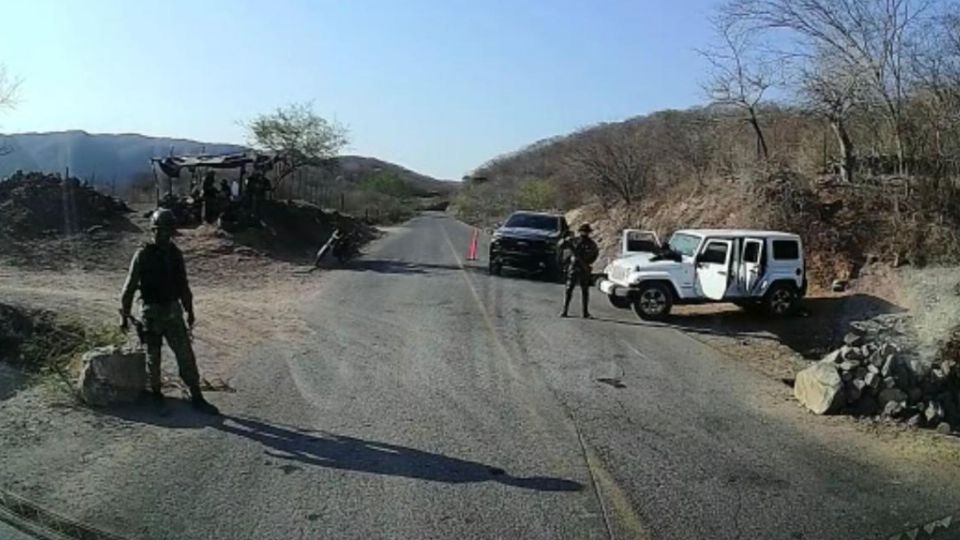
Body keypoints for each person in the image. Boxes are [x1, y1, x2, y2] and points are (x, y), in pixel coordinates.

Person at [120, 208, 220, 416]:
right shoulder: (142, 255)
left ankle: (196, 395)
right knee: (153, 357)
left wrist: (190, 311)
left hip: (173, 311)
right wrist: (124, 315)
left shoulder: (175, 254)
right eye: (159, 231)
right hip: (150, 313)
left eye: (167, 231)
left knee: (185, 354)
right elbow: (129, 287)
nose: (163, 235)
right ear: (152, 231)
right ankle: (156, 395)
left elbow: (183, 285)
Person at [560, 223, 599, 318]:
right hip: (573, 266)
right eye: (583, 231)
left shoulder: (591, 244)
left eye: (586, 231)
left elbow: (594, 255)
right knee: (569, 289)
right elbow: (561, 246)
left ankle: (585, 312)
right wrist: (565, 240)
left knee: (585, 290)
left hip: (584, 268)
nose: (584, 233)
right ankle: (564, 311)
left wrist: (587, 263)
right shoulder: (574, 241)